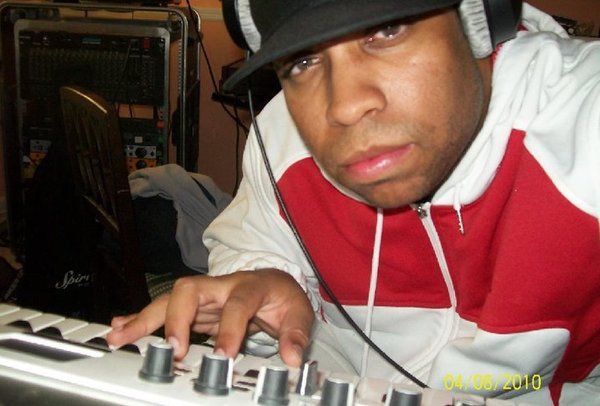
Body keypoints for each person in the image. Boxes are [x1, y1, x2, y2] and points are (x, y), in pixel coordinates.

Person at [107, 1, 600, 404]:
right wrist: (266, 280)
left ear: (478, 17)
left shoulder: (586, 121)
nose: (343, 106)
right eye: (302, 61)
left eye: (387, 30)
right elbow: (251, 243)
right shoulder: (282, 139)